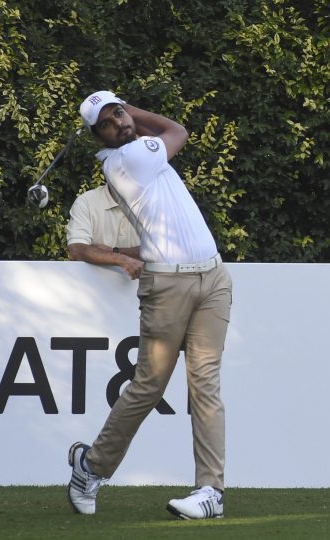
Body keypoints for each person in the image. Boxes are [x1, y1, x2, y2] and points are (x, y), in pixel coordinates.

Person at [67, 90, 232, 520]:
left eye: (118, 114)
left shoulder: (138, 151)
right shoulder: (126, 160)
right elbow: (177, 130)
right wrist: (132, 110)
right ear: (97, 137)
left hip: (213, 277)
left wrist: (122, 112)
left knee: (205, 385)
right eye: (107, 122)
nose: (119, 123)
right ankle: (91, 467)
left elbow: (160, 135)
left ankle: (210, 491)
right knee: (148, 387)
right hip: (168, 285)